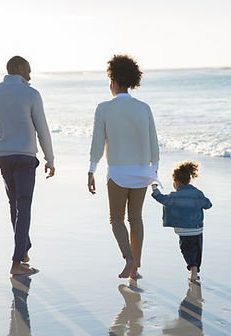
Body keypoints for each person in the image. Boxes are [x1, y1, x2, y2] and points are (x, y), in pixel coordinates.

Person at [88, 54, 160, 279]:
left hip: (118, 172)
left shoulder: (104, 108)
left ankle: (128, 258)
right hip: (143, 172)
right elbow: (154, 141)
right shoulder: (144, 107)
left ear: (114, 80)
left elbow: (98, 143)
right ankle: (135, 269)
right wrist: (154, 171)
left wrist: (92, 169)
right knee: (136, 218)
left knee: (116, 219)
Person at [0, 56, 55, 275]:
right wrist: (50, 159)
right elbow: (42, 129)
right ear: (20, 68)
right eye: (29, 71)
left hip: (4, 158)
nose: (31, 76)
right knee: (23, 206)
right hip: (24, 158)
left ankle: (23, 251)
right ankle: (17, 262)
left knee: (15, 205)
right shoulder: (31, 94)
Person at [151, 160, 212, 282]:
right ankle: (196, 269)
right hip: (197, 229)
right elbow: (208, 205)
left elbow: (161, 198)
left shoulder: (173, 196)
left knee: (187, 250)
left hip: (183, 231)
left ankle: (192, 268)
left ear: (176, 182)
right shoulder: (198, 193)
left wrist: (154, 187)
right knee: (197, 250)